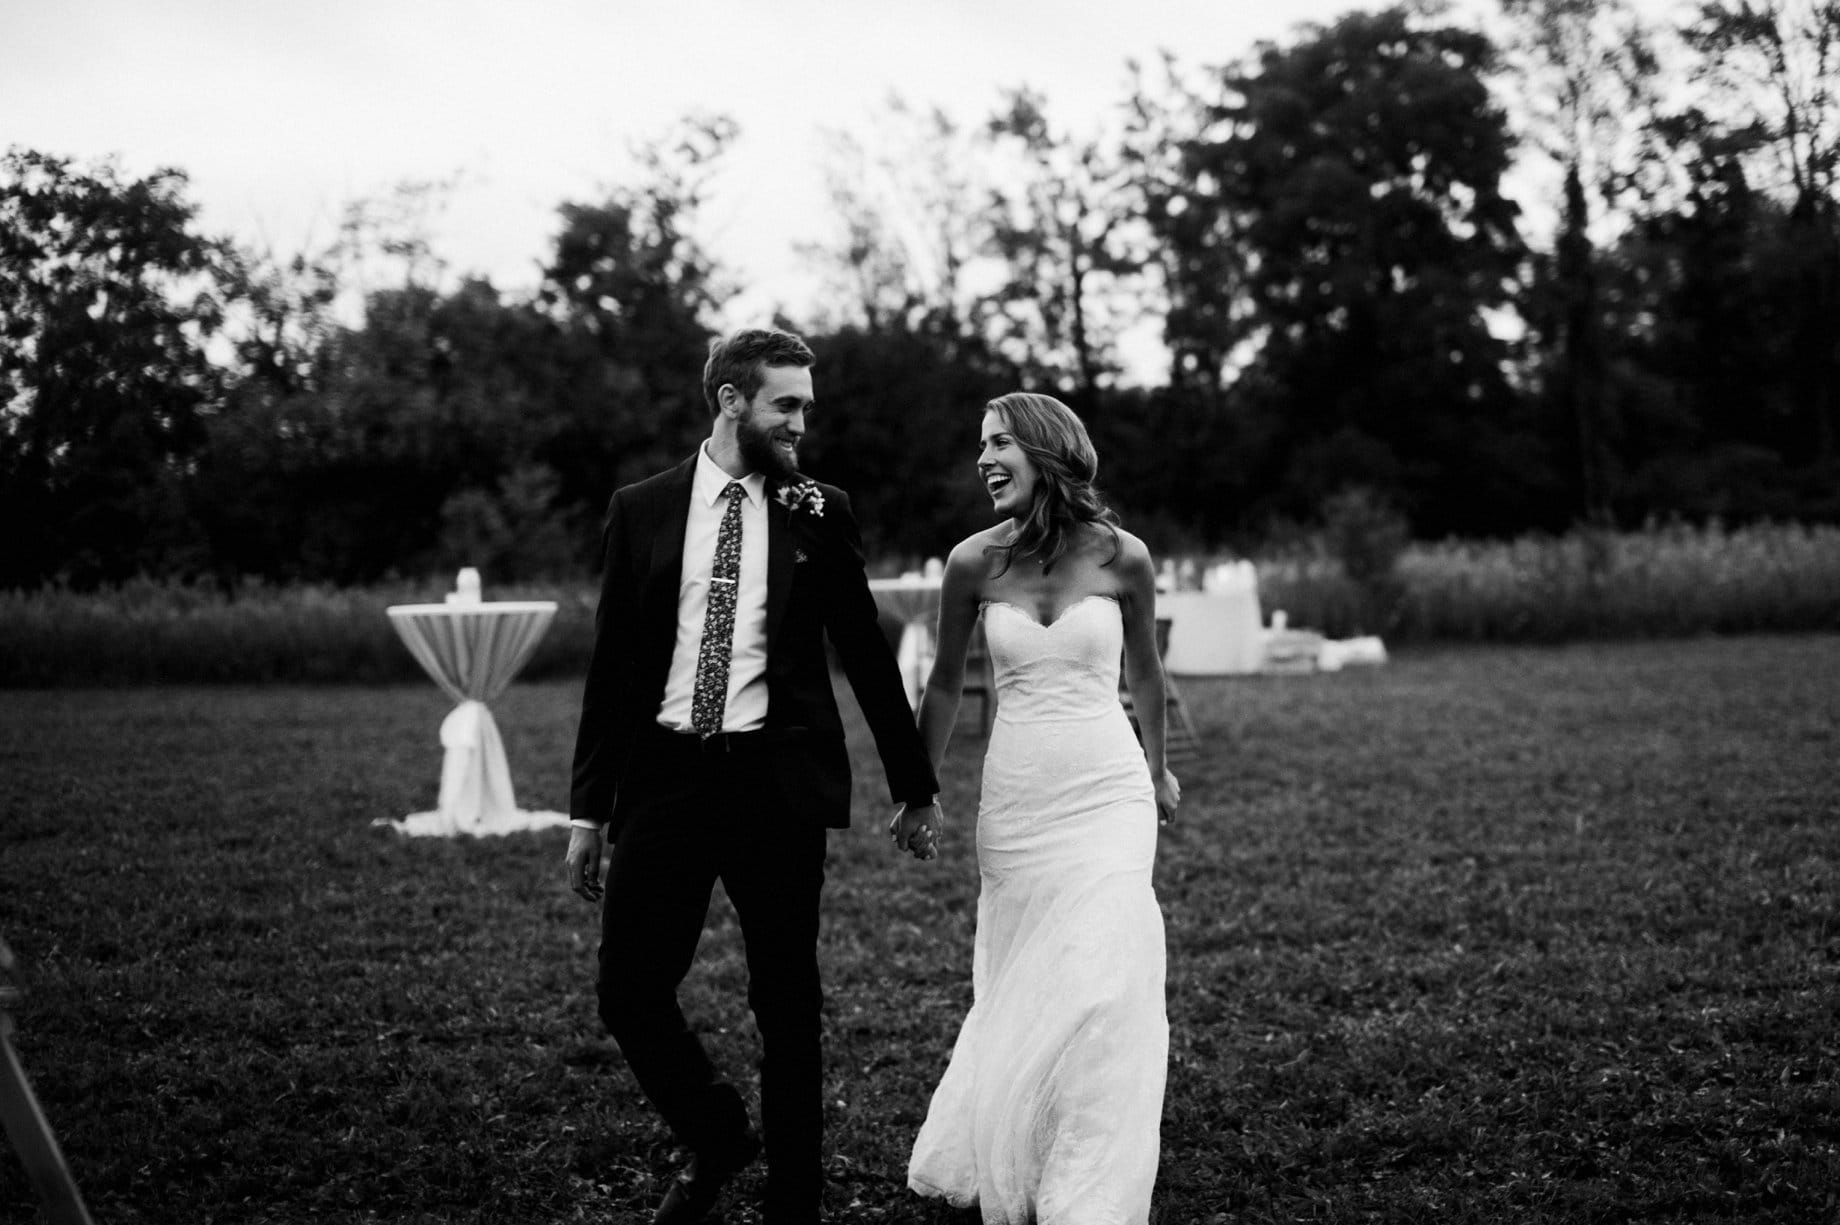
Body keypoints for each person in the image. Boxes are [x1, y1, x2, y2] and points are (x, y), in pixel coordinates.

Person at [565, 327, 944, 1225]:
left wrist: (912, 780)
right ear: (732, 400)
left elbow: (864, 650)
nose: (802, 422)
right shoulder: (643, 508)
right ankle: (718, 1133)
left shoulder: (821, 507)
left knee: (787, 1002)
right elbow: (614, 665)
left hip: (777, 786)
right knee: (628, 991)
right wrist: (588, 809)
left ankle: (795, 1205)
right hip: (666, 780)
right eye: (787, 404)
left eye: (806, 406)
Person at [898, 391, 1180, 1223]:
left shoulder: (1124, 556)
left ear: (1047, 450)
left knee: (1105, 972)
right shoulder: (970, 562)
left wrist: (1158, 771)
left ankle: (1088, 1176)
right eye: (979, 445)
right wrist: (919, 787)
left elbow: (1149, 677)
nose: (983, 460)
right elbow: (946, 682)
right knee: (1024, 976)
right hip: (1018, 800)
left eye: (998, 444)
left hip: (1109, 789)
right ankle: (1023, 1133)